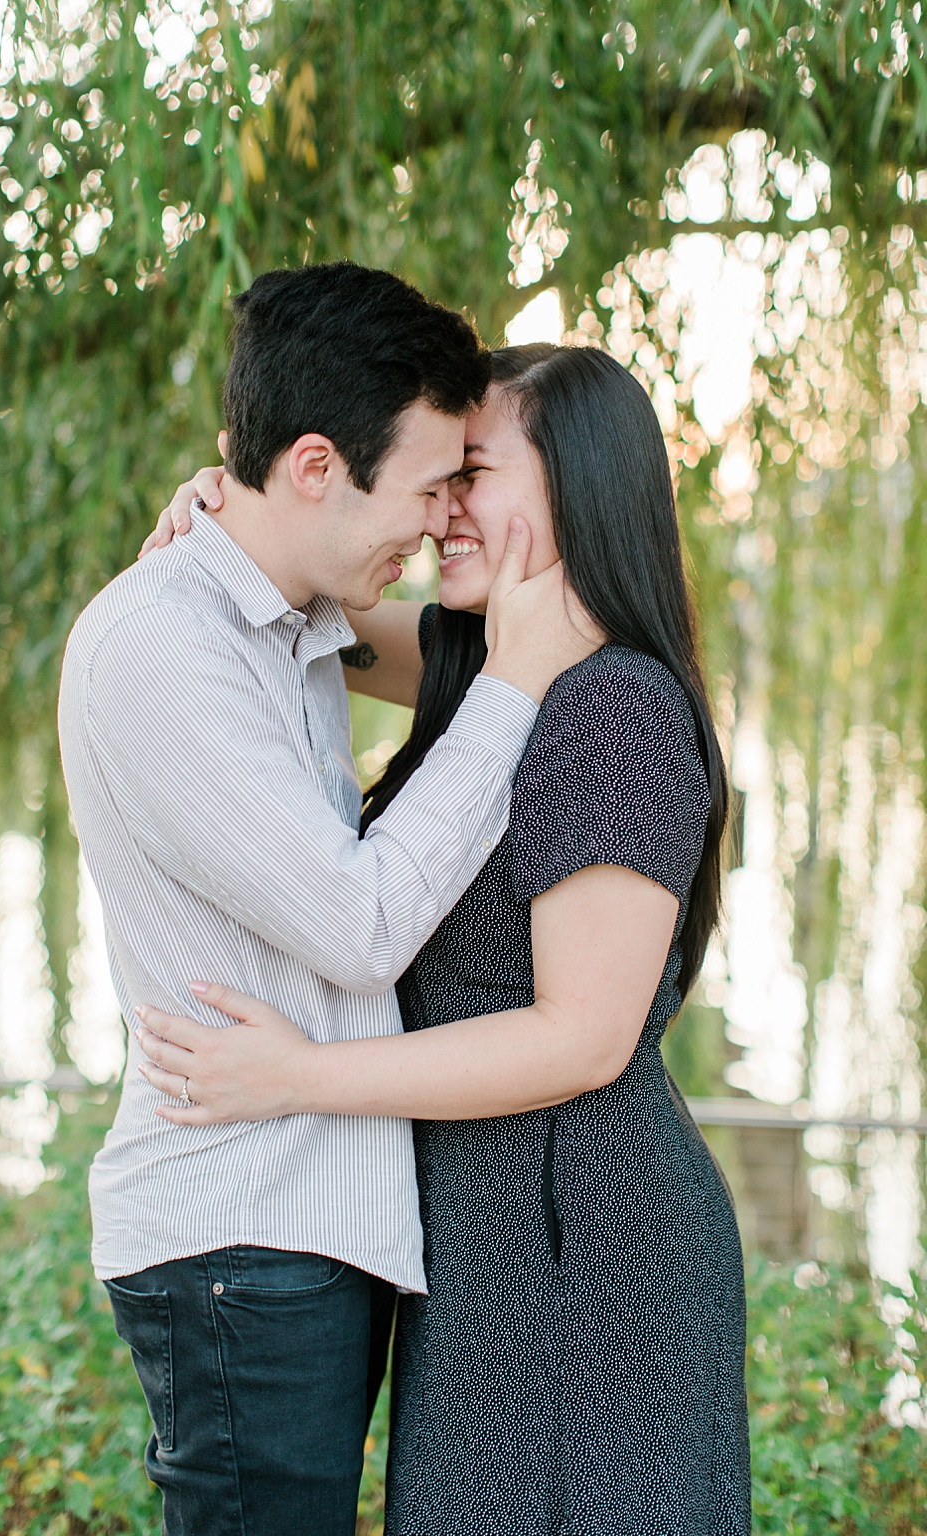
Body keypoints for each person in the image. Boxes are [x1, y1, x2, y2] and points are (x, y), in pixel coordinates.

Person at [136, 342, 751, 1536]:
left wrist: (300, 1078)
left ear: (577, 486)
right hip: (489, 1246)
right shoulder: (486, 666)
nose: (438, 506)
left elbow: (581, 1037)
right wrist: (233, 509)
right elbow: (308, 604)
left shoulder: (611, 711)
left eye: (471, 472)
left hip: (586, 1260)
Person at [57, 267, 597, 1536]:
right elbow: (361, 926)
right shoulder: (164, 647)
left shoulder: (286, 621)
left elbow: (423, 655)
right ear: (313, 466)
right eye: (425, 486)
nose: (436, 520)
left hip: (303, 1228)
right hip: (239, 1239)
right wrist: (517, 681)